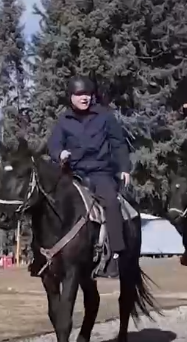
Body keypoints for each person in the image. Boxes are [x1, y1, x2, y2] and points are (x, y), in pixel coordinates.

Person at [47, 76, 132, 278]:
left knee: (111, 203)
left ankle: (115, 256)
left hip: (100, 172)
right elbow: (53, 144)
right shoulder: (64, 121)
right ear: (71, 97)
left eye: (87, 94)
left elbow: (118, 144)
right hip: (72, 174)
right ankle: (45, 254)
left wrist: (124, 168)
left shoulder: (105, 117)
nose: (84, 98)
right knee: (49, 202)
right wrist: (60, 154)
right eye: (79, 94)